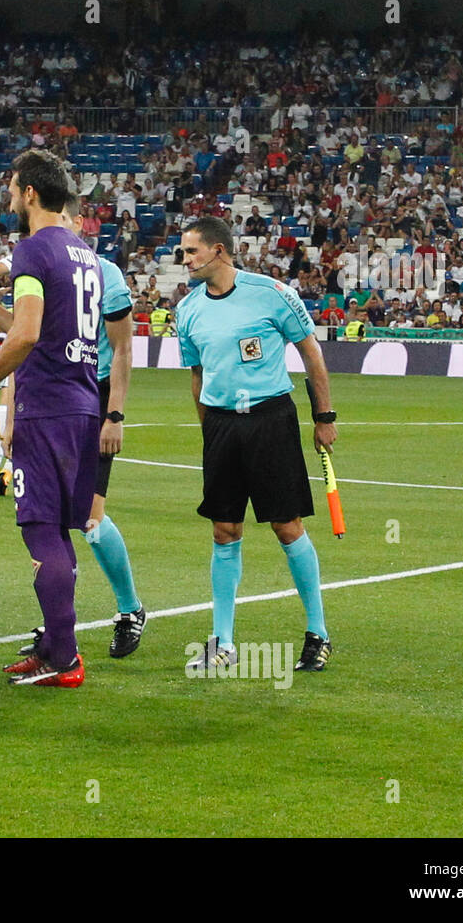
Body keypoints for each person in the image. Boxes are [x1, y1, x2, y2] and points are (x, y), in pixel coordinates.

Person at [0, 193, 147, 659]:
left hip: (90, 395)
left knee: (84, 518)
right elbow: (30, 338)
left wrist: (116, 413)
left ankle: (126, 609)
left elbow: (124, 350)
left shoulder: (102, 272)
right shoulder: (57, 263)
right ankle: (57, 632)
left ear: (77, 221)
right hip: (58, 393)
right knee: (64, 522)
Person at [0, 149, 101, 688]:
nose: (10, 197)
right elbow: (32, 324)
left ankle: (64, 662)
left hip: (47, 409)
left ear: (31, 194)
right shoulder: (81, 252)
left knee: (40, 532)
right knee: (60, 531)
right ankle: (58, 647)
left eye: (14, 188)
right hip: (81, 406)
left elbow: (27, 334)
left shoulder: (34, 250)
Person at [174, 216, 337, 674]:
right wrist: (208, 428)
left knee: (287, 527)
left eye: (190, 252)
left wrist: (323, 417)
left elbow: (311, 352)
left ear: (219, 251)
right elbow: (197, 374)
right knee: (224, 531)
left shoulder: (271, 293)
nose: (184, 260)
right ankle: (223, 641)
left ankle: (317, 633)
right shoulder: (188, 310)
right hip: (222, 426)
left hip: (270, 420)